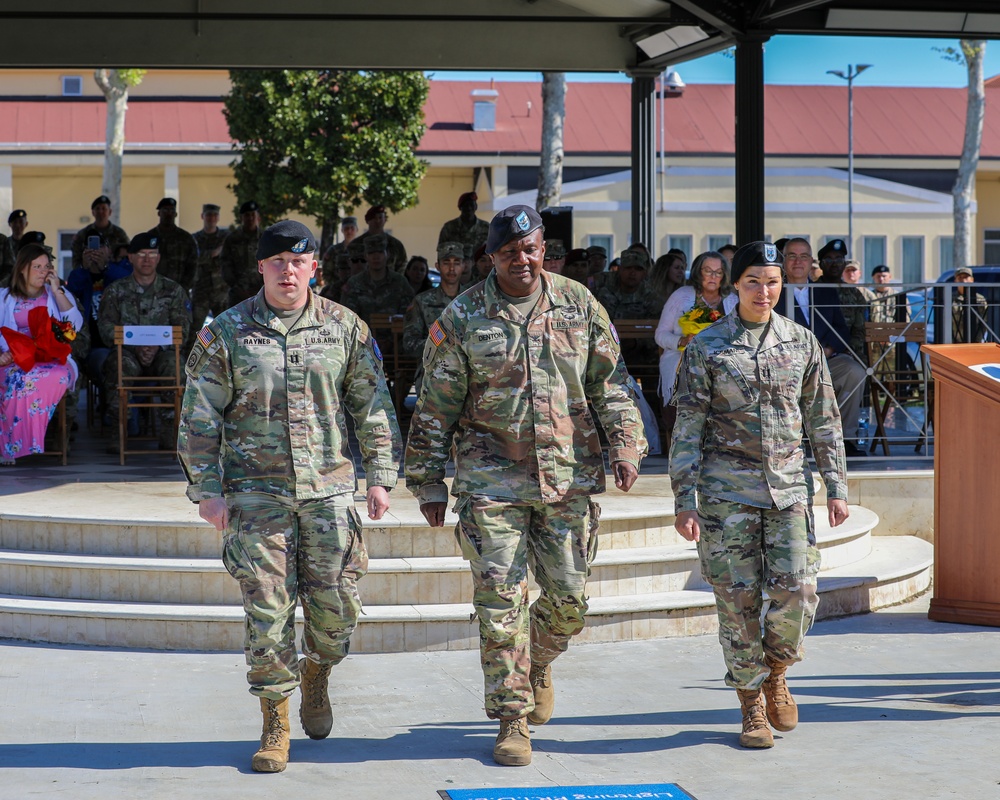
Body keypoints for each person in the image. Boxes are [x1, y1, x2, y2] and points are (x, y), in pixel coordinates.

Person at [404, 205, 646, 768]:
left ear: (544, 249)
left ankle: (534, 662)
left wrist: (626, 444)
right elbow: (435, 407)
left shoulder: (579, 304)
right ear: (491, 257)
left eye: (531, 249)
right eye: (510, 253)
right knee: (500, 604)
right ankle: (511, 716)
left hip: (567, 478)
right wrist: (427, 482)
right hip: (490, 482)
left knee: (569, 603)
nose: (523, 260)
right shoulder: (462, 317)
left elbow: (610, 384)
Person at [178, 220, 401, 773]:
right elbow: (199, 416)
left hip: (328, 493)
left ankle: (317, 672)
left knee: (338, 610)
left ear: (314, 267)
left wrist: (379, 475)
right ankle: (274, 721)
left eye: (298, 261)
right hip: (257, 498)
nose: (287, 270)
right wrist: (206, 491)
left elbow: (372, 407)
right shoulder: (227, 333)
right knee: (267, 611)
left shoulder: (345, 328)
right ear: (260, 268)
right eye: (276, 261)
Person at [670, 241, 849, 750]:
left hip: (789, 489)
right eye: (753, 281)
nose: (764, 291)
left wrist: (836, 486)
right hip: (728, 496)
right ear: (735, 285)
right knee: (737, 601)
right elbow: (687, 428)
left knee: (798, 592)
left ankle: (776, 670)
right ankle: (750, 703)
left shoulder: (800, 342)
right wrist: (684, 500)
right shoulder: (707, 347)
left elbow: (823, 419)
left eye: (772, 282)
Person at [98, 232, 191, 454]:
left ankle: (170, 429)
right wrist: (135, 347)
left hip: (163, 353)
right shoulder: (116, 291)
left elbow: (183, 330)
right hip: (128, 353)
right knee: (116, 366)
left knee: (177, 367)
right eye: (141, 254)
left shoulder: (174, 291)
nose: (147, 259)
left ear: (159, 258)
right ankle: (120, 428)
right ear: (130, 257)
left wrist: (158, 346)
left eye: (152, 253)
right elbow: (105, 328)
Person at [778, 238, 868, 457]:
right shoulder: (773, 291)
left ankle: (842, 440)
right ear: (784, 261)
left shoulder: (825, 292)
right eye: (792, 256)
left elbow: (841, 330)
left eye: (804, 256)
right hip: (784, 364)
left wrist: (827, 350)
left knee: (854, 372)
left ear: (811, 263)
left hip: (824, 359)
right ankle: (793, 441)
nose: (798, 261)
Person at [0, 244, 84, 463]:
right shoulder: (4, 297)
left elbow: (73, 328)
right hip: (12, 360)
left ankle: (21, 444)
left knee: (49, 377)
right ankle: (10, 448)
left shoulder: (56, 295)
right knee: (15, 378)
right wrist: (4, 354)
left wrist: (57, 291)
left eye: (46, 266)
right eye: (36, 266)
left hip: (51, 360)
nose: (42, 271)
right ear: (21, 269)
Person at [654, 250, 737, 442]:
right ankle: (686, 441)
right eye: (708, 270)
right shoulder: (681, 296)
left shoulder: (732, 300)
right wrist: (681, 341)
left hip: (722, 362)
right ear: (698, 272)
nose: (713, 276)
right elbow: (660, 334)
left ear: (724, 275)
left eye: (718, 272)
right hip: (683, 360)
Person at [402, 241, 465, 396]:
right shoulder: (422, 301)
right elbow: (409, 345)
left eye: (456, 263)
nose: (451, 269)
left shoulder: (474, 301)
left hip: (467, 372)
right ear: (437, 266)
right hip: (433, 372)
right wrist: (441, 344)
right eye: (446, 263)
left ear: (463, 266)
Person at [340, 233, 415, 325]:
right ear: (365, 256)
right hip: (362, 337)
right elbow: (347, 317)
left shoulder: (400, 282)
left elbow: (409, 316)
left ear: (387, 254)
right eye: (371, 253)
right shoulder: (354, 284)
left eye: (380, 252)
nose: (376, 257)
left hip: (395, 337)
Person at [190, 203, 230, 335]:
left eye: (214, 215)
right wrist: (213, 253)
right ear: (202, 216)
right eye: (208, 215)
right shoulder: (195, 239)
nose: (211, 218)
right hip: (201, 290)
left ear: (218, 217)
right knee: (194, 329)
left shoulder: (226, 237)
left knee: (225, 329)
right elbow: (194, 259)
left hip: (221, 290)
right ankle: (192, 355)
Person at [147, 197, 198, 292]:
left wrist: (183, 288)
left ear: (176, 214)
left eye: (172, 210)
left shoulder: (186, 238)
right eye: (165, 210)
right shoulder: (149, 237)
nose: (168, 213)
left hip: (179, 292)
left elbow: (193, 267)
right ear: (159, 213)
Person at [71, 195, 130, 274]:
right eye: (97, 209)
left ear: (110, 212)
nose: (100, 212)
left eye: (104, 208)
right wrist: (84, 265)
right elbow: (75, 261)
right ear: (93, 212)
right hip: (88, 277)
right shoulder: (83, 234)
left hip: (113, 276)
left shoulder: (119, 234)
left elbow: (128, 257)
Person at [220, 200, 263, 308]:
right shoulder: (232, 239)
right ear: (241, 218)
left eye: (253, 215)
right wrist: (237, 288)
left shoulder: (265, 238)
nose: (250, 218)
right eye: (247, 215)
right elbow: (225, 265)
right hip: (237, 294)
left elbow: (272, 262)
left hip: (262, 293)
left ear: (258, 217)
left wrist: (265, 287)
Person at [356, 205, 407, 273]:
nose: (377, 221)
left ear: (385, 220)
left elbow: (402, 266)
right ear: (367, 221)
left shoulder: (395, 244)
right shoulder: (357, 244)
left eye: (380, 217)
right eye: (374, 218)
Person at [952, 267, 988, 343]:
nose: (963, 280)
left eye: (966, 277)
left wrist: (977, 340)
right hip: (954, 343)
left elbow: (984, 323)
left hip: (974, 342)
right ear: (955, 281)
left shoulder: (979, 299)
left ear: (972, 280)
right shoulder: (950, 299)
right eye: (960, 277)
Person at [321, 216, 359, 285]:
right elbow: (326, 272)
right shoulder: (334, 250)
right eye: (346, 228)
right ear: (342, 230)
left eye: (352, 228)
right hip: (338, 289)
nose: (349, 231)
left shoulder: (364, 249)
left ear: (357, 230)